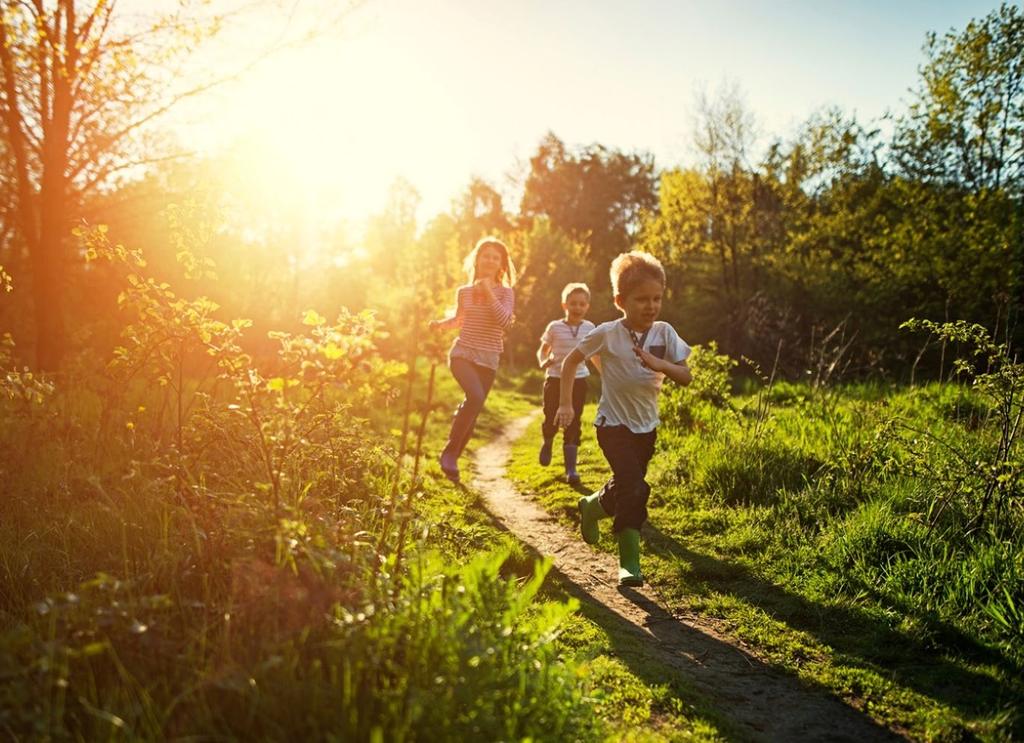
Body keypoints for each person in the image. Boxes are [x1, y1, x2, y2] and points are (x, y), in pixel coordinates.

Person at [555, 251, 692, 587]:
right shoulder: (607, 333)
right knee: (635, 486)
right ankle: (630, 563)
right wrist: (566, 405)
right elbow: (570, 362)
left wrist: (661, 366)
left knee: (626, 486)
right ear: (620, 300)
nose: (651, 305)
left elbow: (686, 376)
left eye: (656, 298)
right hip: (612, 425)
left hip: (647, 429)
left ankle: (592, 507)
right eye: (641, 299)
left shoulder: (665, 333)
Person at [430, 236, 517, 484]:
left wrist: (489, 292)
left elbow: (505, 322)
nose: (489, 260)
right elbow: (460, 320)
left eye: (495, 257)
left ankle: (453, 457)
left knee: (473, 407)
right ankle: (449, 452)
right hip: (463, 353)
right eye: (485, 255)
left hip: (489, 359)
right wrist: (440, 325)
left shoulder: (506, 293)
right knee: (476, 397)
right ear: (477, 260)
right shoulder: (464, 292)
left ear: (501, 264)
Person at [536, 283, 597, 485]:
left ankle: (571, 469)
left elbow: (596, 353)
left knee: (573, 420)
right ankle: (548, 440)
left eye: (581, 304)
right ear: (565, 305)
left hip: (579, 380)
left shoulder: (590, 328)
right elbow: (543, 349)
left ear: (587, 306)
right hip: (554, 378)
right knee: (551, 415)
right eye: (573, 303)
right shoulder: (554, 327)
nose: (577, 307)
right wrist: (543, 361)